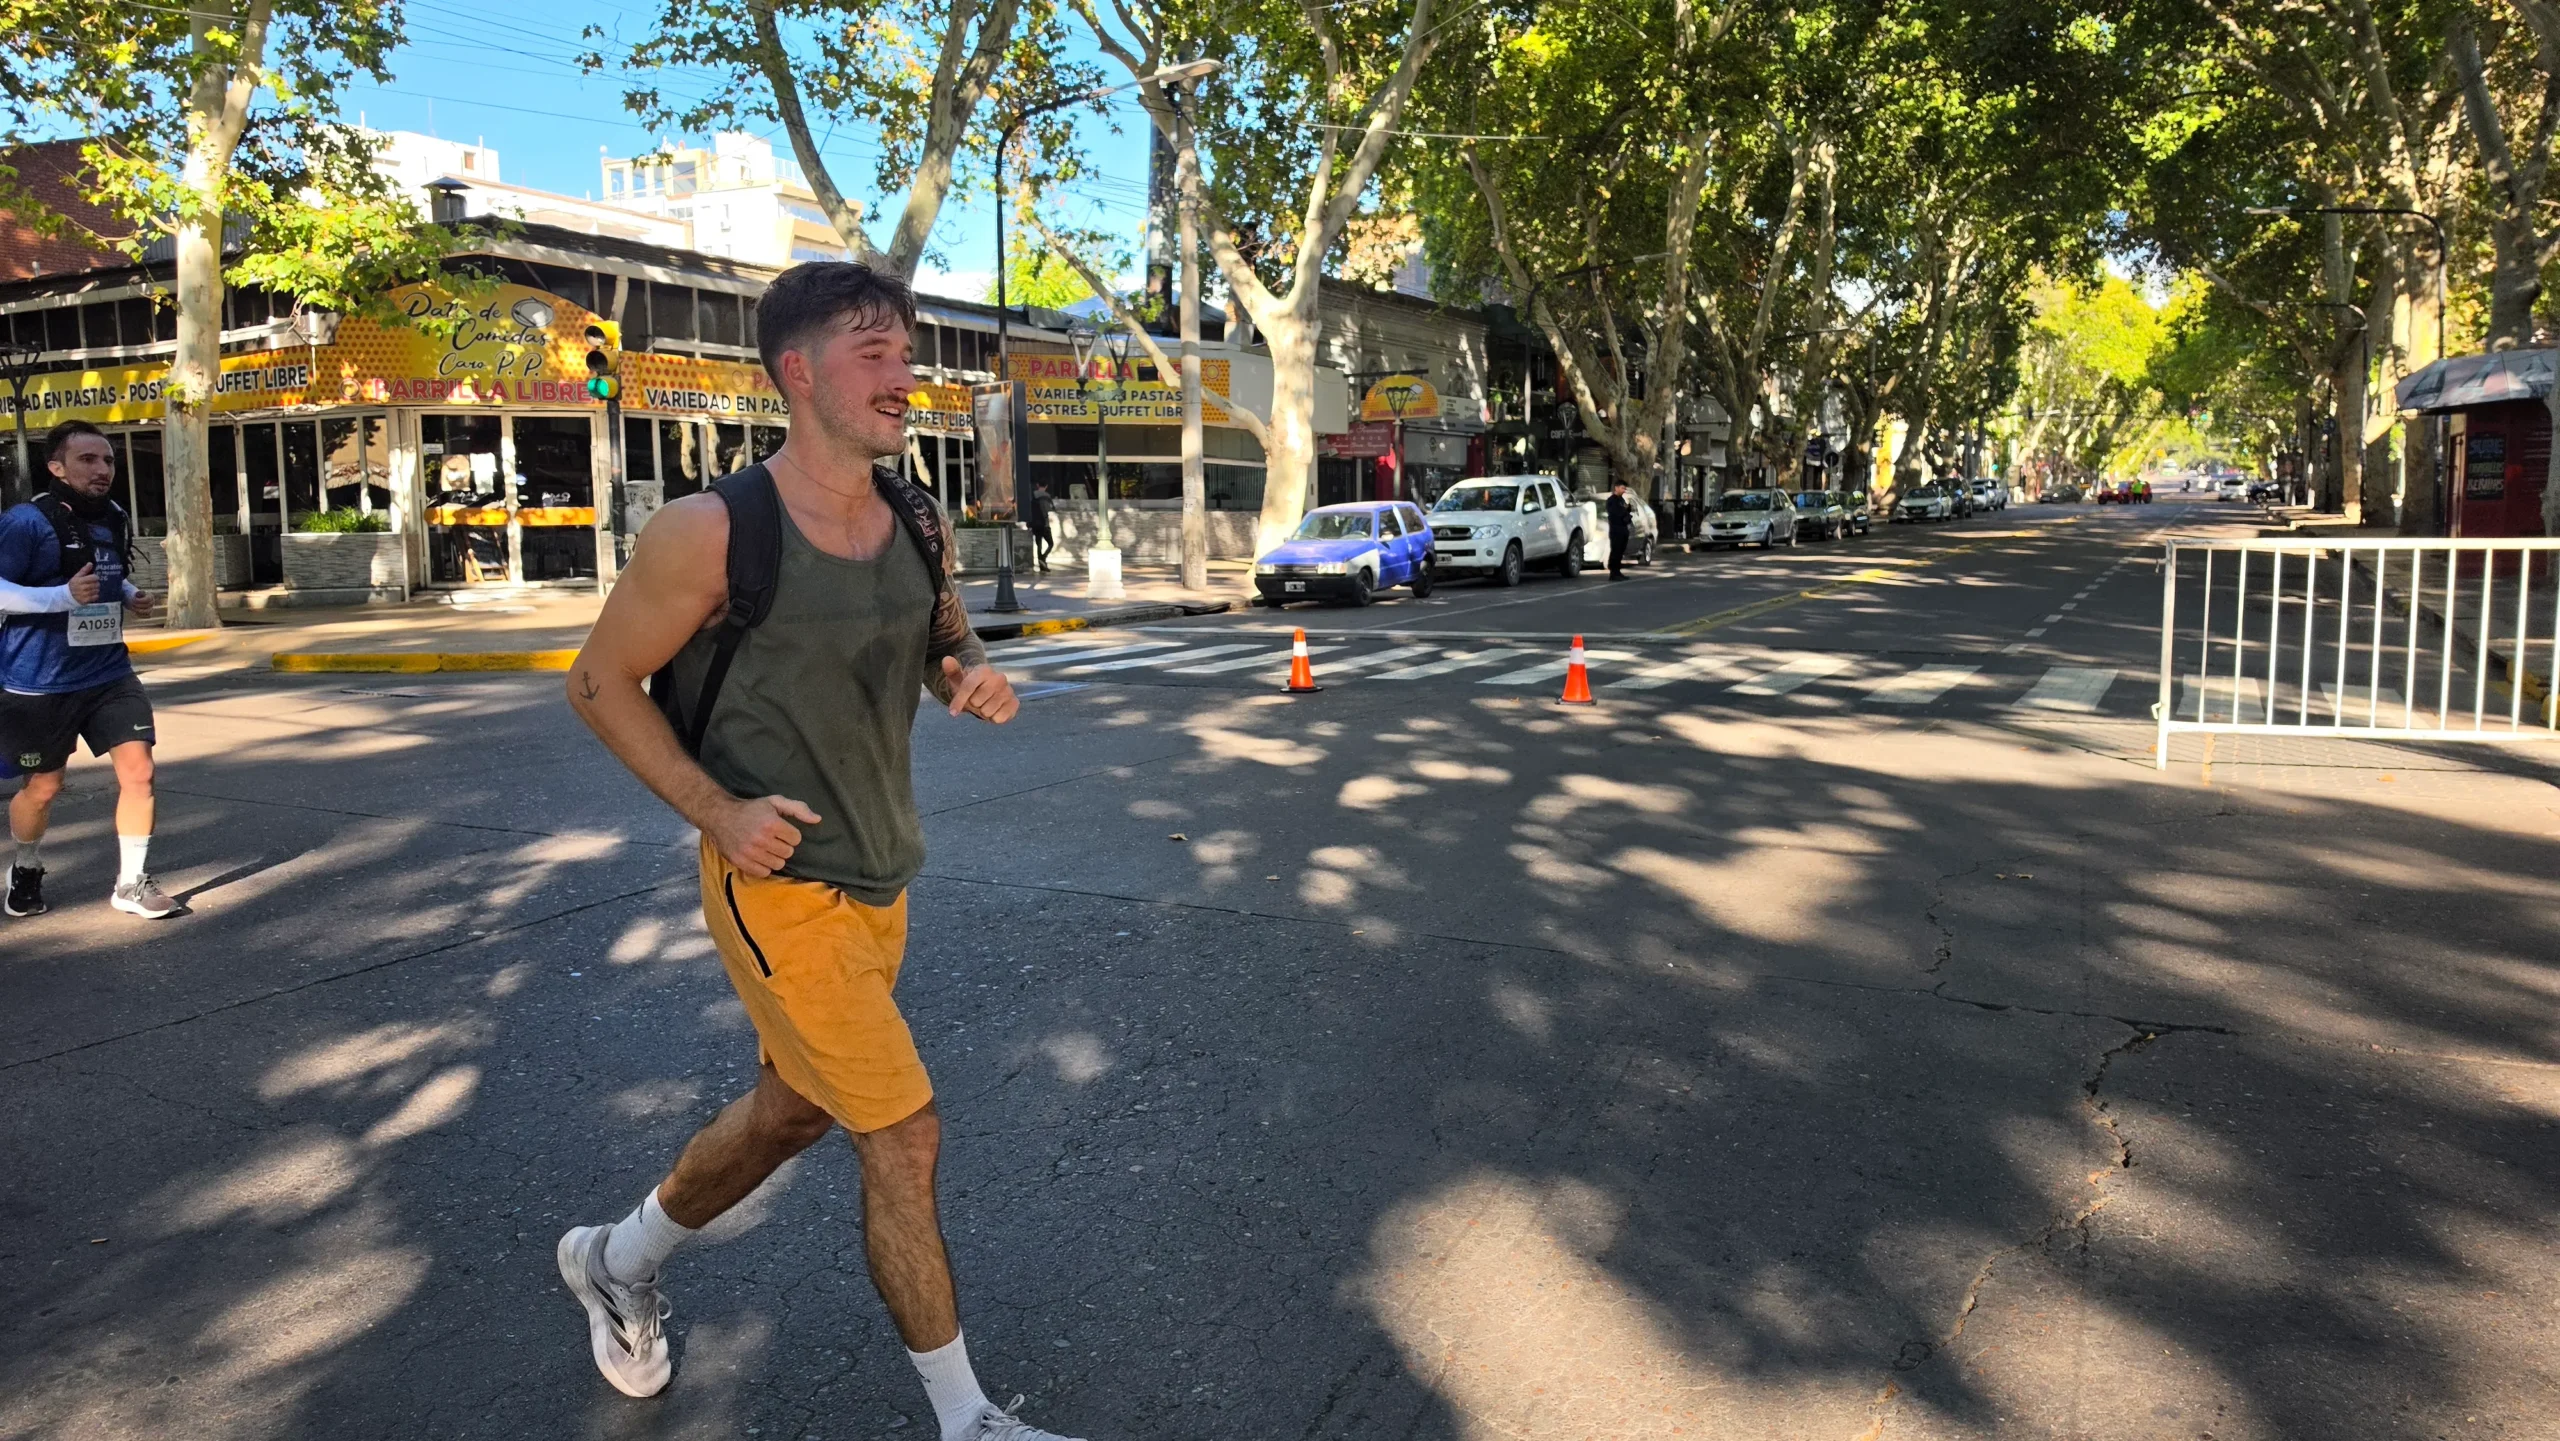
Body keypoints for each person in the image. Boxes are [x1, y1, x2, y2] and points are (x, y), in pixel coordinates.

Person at [558, 262, 1077, 1441]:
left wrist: (973, 674)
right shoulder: (710, 531)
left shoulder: (916, 517)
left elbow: (944, 639)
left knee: (791, 1112)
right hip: (776, 886)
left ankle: (614, 1258)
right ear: (797, 371)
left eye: (907, 353)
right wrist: (717, 811)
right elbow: (598, 682)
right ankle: (968, 1420)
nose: (905, 376)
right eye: (873, 352)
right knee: (902, 1130)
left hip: (882, 875)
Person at [0, 420, 177, 919]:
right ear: (56, 467)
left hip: (108, 674)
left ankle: (131, 883)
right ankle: (26, 865)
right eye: (88, 459)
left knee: (140, 771)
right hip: (38, 681)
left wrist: (129, 594)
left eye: (109, 460)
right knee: (43, 787)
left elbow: (105, 572)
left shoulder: (113, 516)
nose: (103, 469)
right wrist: (61, 597)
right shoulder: (24, 522)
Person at [1605, 478, 1634, 580]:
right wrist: (1624, 512)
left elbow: (1625, 512)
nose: (1623, 490)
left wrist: (1628, 510)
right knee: (1616, 551)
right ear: (1616, 488)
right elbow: (1615, 514)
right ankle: (1613, 573)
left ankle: (1618, 572)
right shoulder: (1612, 500)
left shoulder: (1621, 500)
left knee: (1620, 551)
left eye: (1624, 489)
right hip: (1616, 529)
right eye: (1622, 488)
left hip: (1623, 528)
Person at [1024, 482, 1054, 572]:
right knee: (1050, 544)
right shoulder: (1047, 496)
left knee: (1039, 545)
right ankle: (1043, 558)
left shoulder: (1032, 495)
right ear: (1046, 486)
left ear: (1037, 485)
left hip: (1035, 524)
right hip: (1044, 524)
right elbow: (1050, 509)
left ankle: (1041, 565)